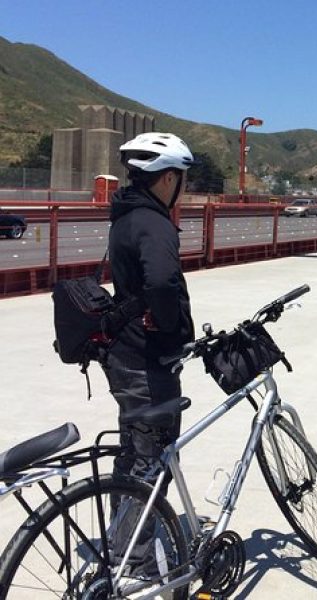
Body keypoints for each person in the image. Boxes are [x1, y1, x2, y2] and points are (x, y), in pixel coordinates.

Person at [102, 132, 196, 573]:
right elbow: (160, 282)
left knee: (135, 451)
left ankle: (123, 542)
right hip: (146, 359)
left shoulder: (124, 216)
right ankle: (133, 566)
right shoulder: (154, 223)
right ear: (167, 179)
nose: (184, 190)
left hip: (123, 354)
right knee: (150, 458)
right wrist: (173, 327)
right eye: (182, 180)